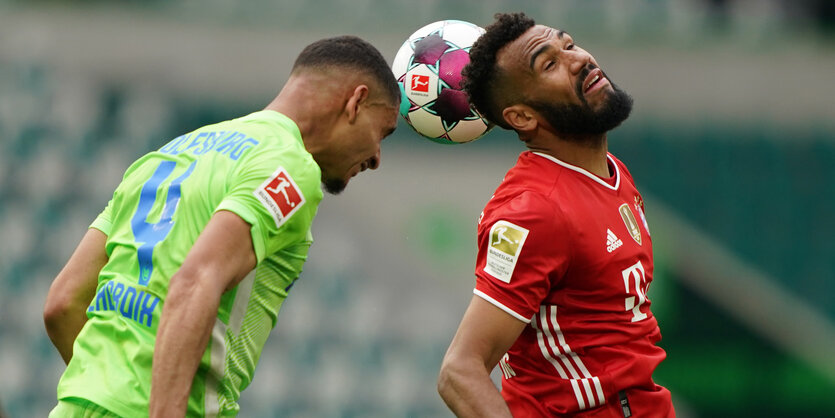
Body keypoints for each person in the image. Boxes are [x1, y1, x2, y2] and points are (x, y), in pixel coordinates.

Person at [43, 35, 400, 417]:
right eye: (382, 133)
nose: (377, 157)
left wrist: (111, 392)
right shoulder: (289, 164)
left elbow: (63, 302)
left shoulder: (170, 152)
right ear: (356, 101)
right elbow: (195, 281)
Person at [437, 13, 675, 417]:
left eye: (568, 44)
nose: (578, 59)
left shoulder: (611, 172)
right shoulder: (535, 211)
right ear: (523, 117)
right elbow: (459, 372)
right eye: (549, 64)